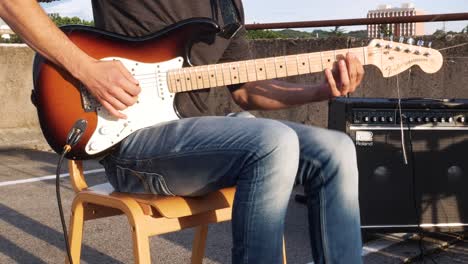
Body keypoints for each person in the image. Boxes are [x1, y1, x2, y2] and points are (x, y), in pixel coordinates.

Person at [0, 0, 364, 263]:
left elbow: (247, 90)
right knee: (273, 142)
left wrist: (320, 90)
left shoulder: (226, 8)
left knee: (336, 148)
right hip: (132, 143)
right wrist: (86, 68)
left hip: (201, 142)